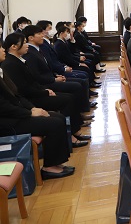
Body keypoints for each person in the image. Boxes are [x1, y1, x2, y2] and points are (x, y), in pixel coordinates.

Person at [0, 45, 75, 180]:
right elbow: (3, 107)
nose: (3, 50)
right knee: (53, 124)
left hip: (16, 114)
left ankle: (56, 162)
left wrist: (32, 108)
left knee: (58, 117)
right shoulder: (8, 66)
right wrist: (29, 113)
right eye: (0, 48)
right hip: (7, 122)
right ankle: (48, 168)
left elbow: (17, 96)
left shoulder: (1, 71)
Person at [2, 33, 89, 147]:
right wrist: (34, 106)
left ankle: (74, 131)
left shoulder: (18, 60)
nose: (26, 45)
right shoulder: (10, 64)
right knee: (65, 104)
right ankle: (71, 136)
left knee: (68, 99)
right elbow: (22, 90)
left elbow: (31, 83)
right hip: (29, 100)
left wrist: (46, 90)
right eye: (23, 43)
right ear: (14, 46)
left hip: (31, 97)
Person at [22, 25, 94, 118]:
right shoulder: (30, 53)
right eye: (39, 34)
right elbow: (37, 76)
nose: (42, 35)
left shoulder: (38, 49)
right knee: (76, 85)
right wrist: (55, 79)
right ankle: (78, 116)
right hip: (45, 84)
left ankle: (79, 114)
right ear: (31, 38)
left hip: (51, 77)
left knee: (79, 82)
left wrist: (56, 76)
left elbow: (49, 66)